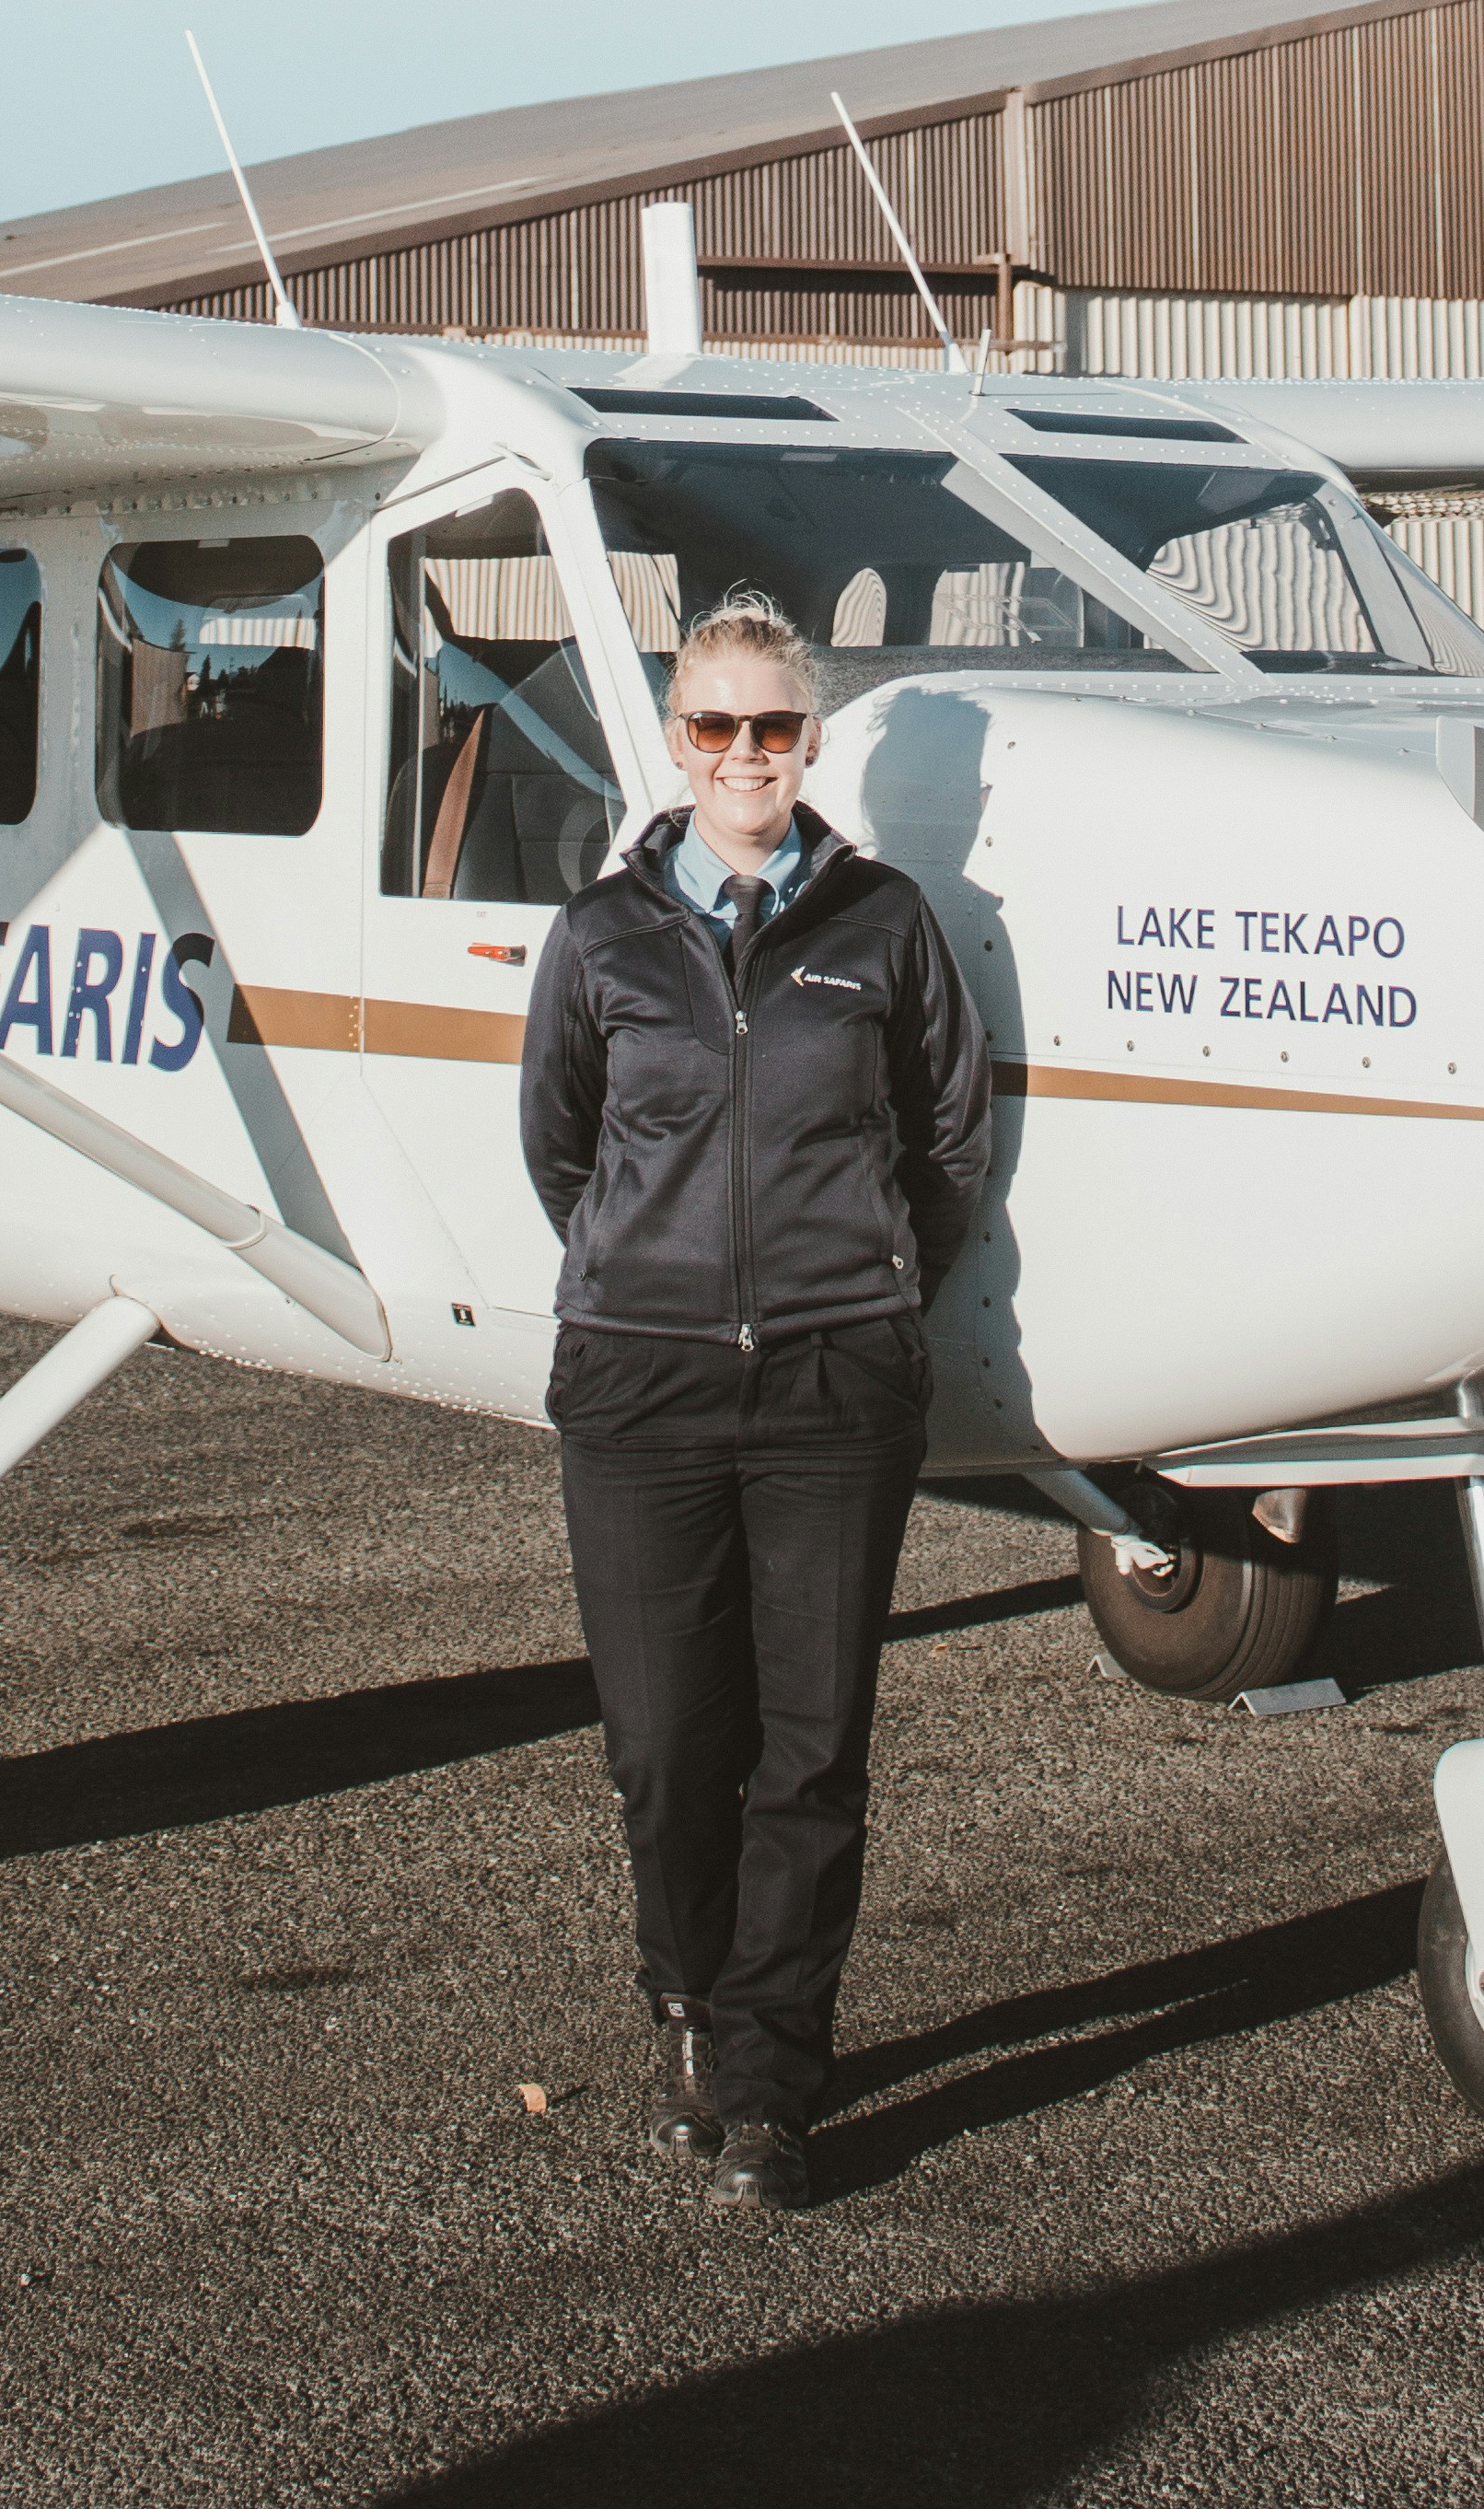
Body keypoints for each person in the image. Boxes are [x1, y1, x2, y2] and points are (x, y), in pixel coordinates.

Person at [518, 586, 993, 2213]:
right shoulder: (601, 938)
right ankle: (690, 2002)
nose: (743, 754)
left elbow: (945, 1143)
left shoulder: (884, 925)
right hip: (639, 1388)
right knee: (666, 1748)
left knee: (814, 1746)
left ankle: (775, 2083)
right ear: (674, 740)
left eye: (772, 727)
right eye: (714, 725)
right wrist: (654, 1281)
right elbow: (562, 1153)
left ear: (810, 741)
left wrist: (858, 1292)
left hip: (830, 1387)